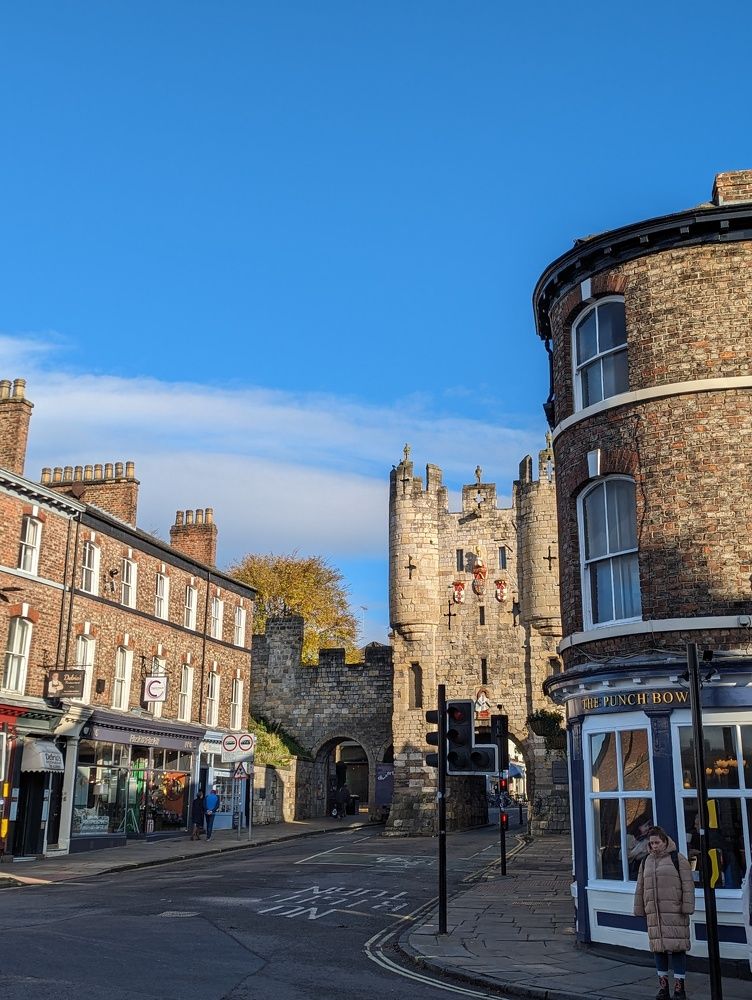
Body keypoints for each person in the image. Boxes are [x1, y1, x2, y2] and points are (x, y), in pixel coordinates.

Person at [634, 826, 695, 999]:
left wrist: (687, 907)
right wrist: (639, 908)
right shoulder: (646, 861)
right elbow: (641, 887)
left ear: (665, 841)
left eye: (657, 842)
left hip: (674, 911)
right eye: (651, 843)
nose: (654, 846)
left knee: (677, 948)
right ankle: (663, 988)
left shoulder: (678, 859)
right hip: (654, 913)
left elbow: (687, 885)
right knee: (658, 949)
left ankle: (679, 988)